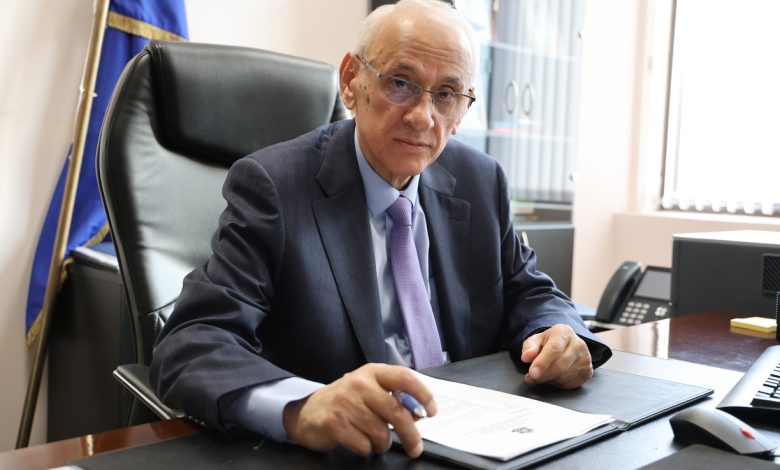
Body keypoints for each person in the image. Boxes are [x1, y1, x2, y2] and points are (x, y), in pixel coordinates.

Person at [150, 0, 612, 460]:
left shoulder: (480, 181)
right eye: (401, 83)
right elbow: (192, 344)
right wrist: (302, 407)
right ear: (352, 81)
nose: (423, 117)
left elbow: (528, 290)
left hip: (479, 441)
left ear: (463, 109)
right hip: (353, 450)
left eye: (446, 94)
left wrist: (557, 333)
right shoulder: (275, 187)